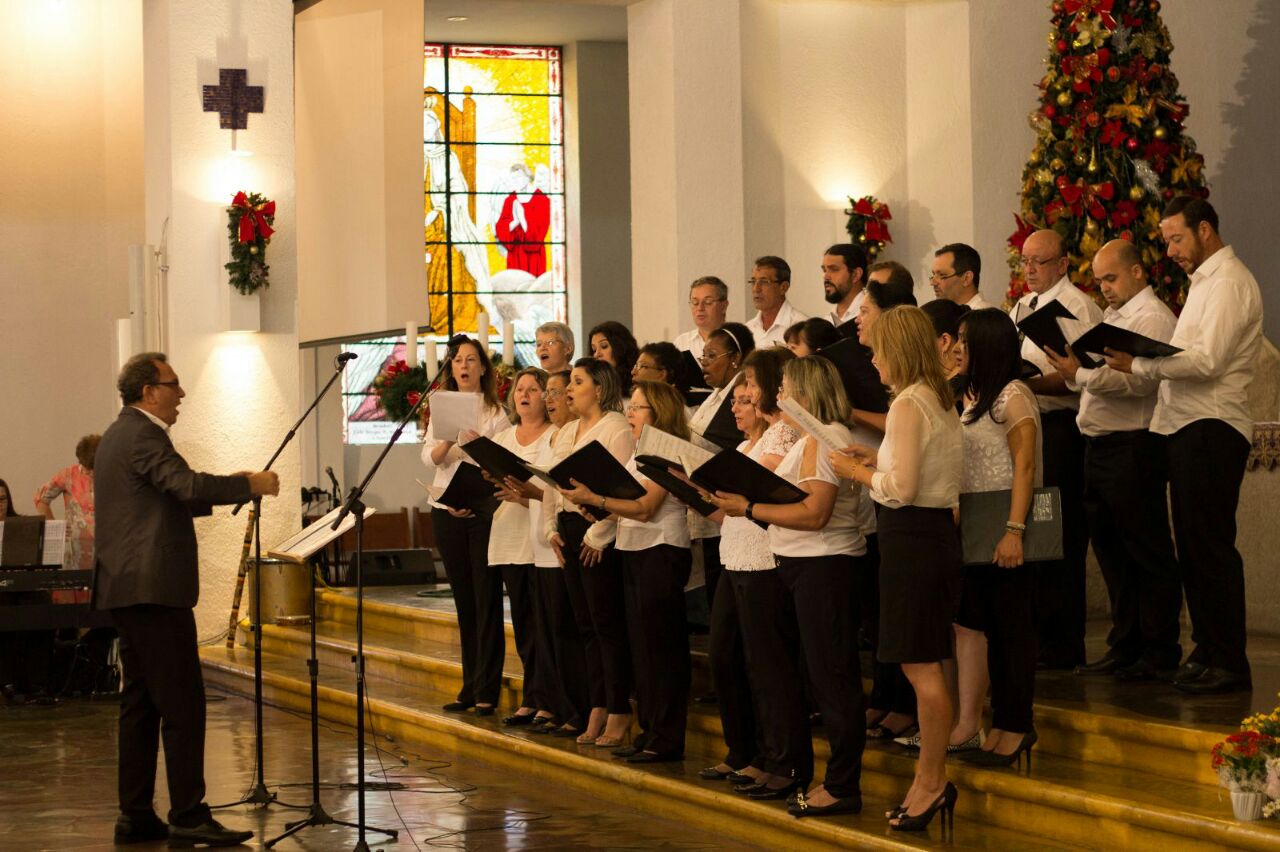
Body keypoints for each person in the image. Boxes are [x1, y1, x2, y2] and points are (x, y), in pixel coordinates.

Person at [93, 352, 276, 847]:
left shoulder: (117, 435)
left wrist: (235, 487)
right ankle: (190, 814)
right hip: (154, 590)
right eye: (174, 385)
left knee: (140, 704)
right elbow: (186, 483)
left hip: (127, 588)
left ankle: (135, 815)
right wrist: (247, 484)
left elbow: (167, 496)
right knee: (182, 704)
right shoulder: (144, 434)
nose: (182, 394)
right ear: (150, 390)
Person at [1104, 197, 1263, 695]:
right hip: (1187, 424)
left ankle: (1230, 661)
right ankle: (1208, 649)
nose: (1169, 250)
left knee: (1210, 546)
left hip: (1213, 425)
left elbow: (1209, 362)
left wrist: (1142, 365)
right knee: (1193, 547)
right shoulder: (1205, 283)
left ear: (1206, 230)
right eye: (1165, 239)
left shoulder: (1231, 282)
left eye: (1176, 238)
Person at [711, 357, 865, 818]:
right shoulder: (814, 440)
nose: (778, 398)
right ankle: (834, 780)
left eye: (787, 389)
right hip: (806, 565)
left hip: (825, 566)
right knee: (823, 675)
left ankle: (841, 785)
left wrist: (750, 509)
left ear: (808, 392)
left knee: (833, 679)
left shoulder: (824, 439)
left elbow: (815, 514)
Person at [833, 306, 963, 830]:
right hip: (928, 537)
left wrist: (853, 472)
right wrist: (871, 464)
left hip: (913, 539)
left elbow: (904, 490)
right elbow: (918, 475)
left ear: (900, 350)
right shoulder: (934, 397)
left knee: (920, 667)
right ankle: (928, 779)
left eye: (878, 349)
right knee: (926, 662)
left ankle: (932, 782)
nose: (873, 359)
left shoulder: (910, 403)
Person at [1044, 240, 1181, 681]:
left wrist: (1078, 374)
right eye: (1099, 280)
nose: (1103, 287)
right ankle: (1127, 642)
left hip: (1133, 445)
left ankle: (1160, 649)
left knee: (1145, 548)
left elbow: (1141, 385)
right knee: (1111, 550)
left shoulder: (1153, 317)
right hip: (1100, 445)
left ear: (1138, 272)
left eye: (1110, 278)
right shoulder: (1114, 317)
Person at [560, 380, 693, 762]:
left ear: (659, 414)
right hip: (635, 547)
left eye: (637, 408)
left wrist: (597, 499)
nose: (629, 413)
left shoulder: (666, 449)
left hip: (662, 549)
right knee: (641, 647)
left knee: (661, 648)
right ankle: (650, 729)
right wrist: (597, 507)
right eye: (630, 406)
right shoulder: (638, 450)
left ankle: (666, 736)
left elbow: (649, 506)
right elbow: (626, 503)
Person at [700, 349, 798, 790]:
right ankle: (743, 750)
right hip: (733, 555)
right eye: (737, 397)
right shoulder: (742, 446)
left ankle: (778, 759)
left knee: (767, 663)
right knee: (724, 656)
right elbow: (730, 512)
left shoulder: (784, 435)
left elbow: (774, 493)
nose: (740, 404)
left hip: (764, 558)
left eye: (748, 391)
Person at [949, 309, 1042, 770]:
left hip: (1005, 529)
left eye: (966, 340)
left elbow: (1024, 466)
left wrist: (1014, 529)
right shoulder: (973, 396)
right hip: (977, 531)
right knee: (987, 628)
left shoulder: (1013, 395)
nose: (958, 347)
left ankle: (1018, 724)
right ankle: (1000, 724)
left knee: (1011, 632)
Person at [1014, 229, 1102, 669]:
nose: (1029, 270)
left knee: (1062, 534)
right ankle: (1040, 633)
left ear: (1063, 264)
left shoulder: (1077, 306)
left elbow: (1081, 375)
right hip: (1029, 423)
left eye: (1039, 262)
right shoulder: (1022, 306)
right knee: (1036, 530)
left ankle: (1065, 642)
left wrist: (1020, 382)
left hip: (1063, 426)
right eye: (1025, 261)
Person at [545, 358, 635, 744]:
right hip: (568, 527)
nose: (568, 389)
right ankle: (597, 703)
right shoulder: (567, 431)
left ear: (598, 388)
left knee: (606, 624)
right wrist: (551, 526)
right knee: (585, 624)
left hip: (598, 531)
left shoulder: (615, 428)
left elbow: (624, 488)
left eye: (576, 382)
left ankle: (619, 708)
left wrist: (600, 532)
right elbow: (552, 482)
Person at [422, 337, 511, 715]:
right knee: (463, 602)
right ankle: (469, 686)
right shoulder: (439, 406)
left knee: (485, 598)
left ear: (483, 369)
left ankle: (488, 689)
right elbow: (430, 458)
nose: (464, 366)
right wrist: (445, 441)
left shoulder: (496, 412)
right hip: (446, 509)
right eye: (458, 360)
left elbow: (500, 461)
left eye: (472, 360)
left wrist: (473, 446)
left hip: (483, 510)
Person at [485, 368, 558, 725]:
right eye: (519, 389)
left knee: (547, 624)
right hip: (509, 536)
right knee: (525, 624)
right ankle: (531, 695)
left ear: (547, 396)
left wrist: (525, 495)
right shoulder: (502, 439)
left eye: (533, 388)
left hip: (541, 540)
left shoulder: (556, 435)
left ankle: (549, 699)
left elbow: (556, 490)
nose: (524, 394)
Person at [530, 370, 589, 734]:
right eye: (548, 393)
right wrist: (551, 527)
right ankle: (569, 708)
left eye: (558, 392)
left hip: (581, 533)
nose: (551, 400)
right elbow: (552, 489)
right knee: (560, 629)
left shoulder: (582, 434)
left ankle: (581, 708)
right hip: (556, 536)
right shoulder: (559, 436)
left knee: (576, 626)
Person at [688, 323, 755, 622]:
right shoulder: (713, 397)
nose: (704, 363)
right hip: (708, 505)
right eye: (702, 356)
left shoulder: (737, 394)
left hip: (726, 507)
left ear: (735, 358)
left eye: (711, 355)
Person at [0, 477, 57, 705]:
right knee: (4, 609)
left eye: (3, 499)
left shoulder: (23, 525)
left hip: (22, 586)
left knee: (39, 603)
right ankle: (7, 683)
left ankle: (37, 685)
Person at [34, 433, 100, 571]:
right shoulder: (68, 475)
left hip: (105, 546)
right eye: (88, 468)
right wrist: (55, 526)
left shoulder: (112, 474)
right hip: (75, 547)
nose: (91, 473)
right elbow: (40, 499)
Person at [746, 256, 807, 348]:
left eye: (764, 282)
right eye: (753, 281)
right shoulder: (747, 329)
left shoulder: (802, 327)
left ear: (783, 287)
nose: (756, 289)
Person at [674, 276, 730, 361]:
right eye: (695, 302)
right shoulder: (682, 343)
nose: (700, 308)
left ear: (724, 306)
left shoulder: (736, 341)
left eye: (708, 302)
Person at [822, 243, 869, 331]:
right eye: (824, 270)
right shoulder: (827, 320)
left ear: (856, 274)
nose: (826, 277)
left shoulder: (872, 315)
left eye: (833, 269)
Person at [931, 243, 992, 310]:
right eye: (933, 275)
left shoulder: (981, 317)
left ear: (967, 278)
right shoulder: (946, 313)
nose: (932, 283)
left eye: (942, 275)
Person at [588, 321, 640, 395]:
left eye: (604, 346)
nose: (597, 354)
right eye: (594, 350)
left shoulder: (637, 381)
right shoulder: (593, 384)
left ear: (620, 347)